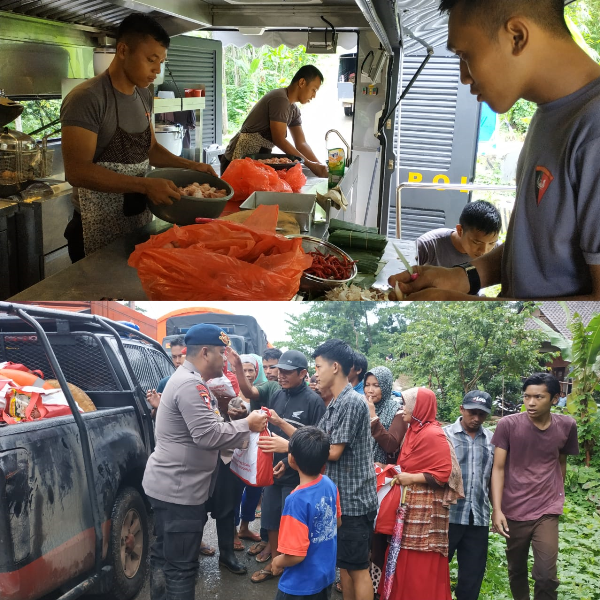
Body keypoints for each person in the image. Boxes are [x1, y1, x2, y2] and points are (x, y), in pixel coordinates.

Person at [389, 0, 600, 300]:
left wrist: (461, 306)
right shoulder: (549, 114)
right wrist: (463, 278)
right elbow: (533, 253)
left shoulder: (593, 128)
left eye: (465, 55)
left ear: (516, 36)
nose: (464, 76)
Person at [60, 14, 217, 263]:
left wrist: (191, 166)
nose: (157, 69)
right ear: (123, 50)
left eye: (161, 62)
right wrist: (145, 185)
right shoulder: (87, 98)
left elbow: (151, 148)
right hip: (94, 228)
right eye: (151, 60)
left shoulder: (143, 95)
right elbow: (77, 172)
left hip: (138, 221)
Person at [142, 324, 267, 600]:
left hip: (171, 486)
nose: (226, 359)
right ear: (206, 352)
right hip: (179, 492)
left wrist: (230, 418)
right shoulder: (190, 384)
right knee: (181, 568)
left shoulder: (188, 380)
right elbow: (207, 435)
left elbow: (205, 427)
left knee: (164, 557)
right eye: (223, 353)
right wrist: (248, 424)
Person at [491, 373, 579, 600]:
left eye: (538, 397)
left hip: (547, 509)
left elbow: (560, 462)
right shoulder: (507, 425)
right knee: (516, 570)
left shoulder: (567, 425)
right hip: (514, 509)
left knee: (546, 576)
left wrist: (558, 495)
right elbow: (498, 468)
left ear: (555, 398)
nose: (530, 402)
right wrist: (498, 510)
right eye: (527, 396)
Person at [247, 349, 326, 584]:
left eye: (287, 372)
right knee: (270, 517)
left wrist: (286, 460)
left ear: (303, 374)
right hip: (273, 468)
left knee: (291, 521)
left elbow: (315, 442)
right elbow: (272, 432)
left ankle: (290, 563)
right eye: (279, 370)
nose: (280, 375)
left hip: (297, 472)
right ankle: (276, 561)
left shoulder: (314, 402)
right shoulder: (278, 395)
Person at [379, 388, 464, 600]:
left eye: (406, 404)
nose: (402, 409)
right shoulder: (414, 429)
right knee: (403, 554)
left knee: (420, 557)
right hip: (411, 505)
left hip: (426, 510)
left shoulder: (432, 434)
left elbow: (443, 474)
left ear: (419, 408)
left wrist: (412, 478)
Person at [313, 339, 378, 600]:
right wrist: (282, 426)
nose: (315, 372)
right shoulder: (336, 403)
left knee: (358, 568)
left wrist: (288, 446)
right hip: (340, 501)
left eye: (318, 366)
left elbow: (332, 451)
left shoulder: (352, 402)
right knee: (346, 568)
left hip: (354, 502)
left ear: (335, 366)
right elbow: (313, 439)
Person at [271, 426, 341, 600]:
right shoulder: (328, 484)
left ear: (292, 459)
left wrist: (277, 561)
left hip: (299, 585)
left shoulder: (296, 501)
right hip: (325, 576)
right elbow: (338, 522)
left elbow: (295, 555)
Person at [221, 65, 329, 178]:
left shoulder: (294, 110)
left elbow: (301, 144)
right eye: (314, 90)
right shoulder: (280, 99)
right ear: (302, 82)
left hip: (256, 160)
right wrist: (311, 165)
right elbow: (279, 140)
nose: (314, 95)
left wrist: (319, 166)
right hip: (236, 159)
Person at [230, 346, 283, 563]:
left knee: (263, 494)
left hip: (281, 452)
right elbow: (249, 392)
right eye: (267, 367)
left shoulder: (301, 392)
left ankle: (270, 542)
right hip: (254, 446)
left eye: (275, 367)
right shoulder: (267, 388)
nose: (270, 371)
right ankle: (245, 535)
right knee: (243, 487)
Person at [443, 391, 495, 600]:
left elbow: (494, 477)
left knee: (472, 576)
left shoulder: (492, 439)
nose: (476, 419)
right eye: (472, 413)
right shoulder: (444, 435)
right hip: (449, 515)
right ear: (461, 409)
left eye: (481, 415)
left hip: (479, 516)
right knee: (437, 569)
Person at [233, 353, 268, 550]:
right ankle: (232, 531)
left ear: (257, 371)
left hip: (256, 448)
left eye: (250, 370)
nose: (246, 374)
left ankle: (245, 527)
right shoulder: (229, 390)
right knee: (235, 491)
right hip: (236, 448)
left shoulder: (261, 393)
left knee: (255, 488)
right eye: (243, 370)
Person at [416, 200, 501, 268]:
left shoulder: (497, 250)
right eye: (476, 242)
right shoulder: (428, 245)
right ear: (460, 230)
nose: (484, 251)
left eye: (491, 243)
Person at [364, 366, 407, 466]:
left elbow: (391, 446)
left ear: (385, 387)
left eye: (376, 385)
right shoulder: (361, 406)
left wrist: (373, 417)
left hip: (382, 471)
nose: (370, 390)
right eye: (367, 385)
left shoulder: (397, 412)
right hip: (359, 468)